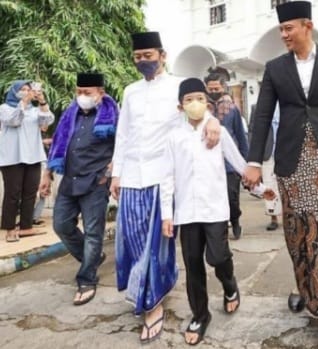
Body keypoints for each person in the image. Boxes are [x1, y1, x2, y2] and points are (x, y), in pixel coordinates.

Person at [243, 2, 318, 348]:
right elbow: (262, 116)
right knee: (298, 233)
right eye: (281, 30)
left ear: (307, 25)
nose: (283, 35)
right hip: (291, 163)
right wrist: (253, 161)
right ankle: (302, 285)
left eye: (288, 29)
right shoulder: (275, 69)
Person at [109, 31, 221, 344]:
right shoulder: (130, 91)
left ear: (162, 55)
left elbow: (199, 107)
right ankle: (150, 288)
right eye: (137, 58)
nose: (142, 62)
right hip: (132, 175)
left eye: (148, 56)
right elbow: (124, 134)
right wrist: (117, 173)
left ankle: (152, 306)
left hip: (163, 176)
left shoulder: (177, 85)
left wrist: (212, 120)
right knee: (132, 241)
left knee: (154, 245)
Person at [161, 78, 271, 345]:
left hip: (215, 209)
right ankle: (200, 315)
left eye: (199, 98)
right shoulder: (174, 137)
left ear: (207, 102)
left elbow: (238, 163)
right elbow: (167, 177)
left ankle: (229, 284)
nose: (194, 104)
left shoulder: (218, 131)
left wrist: (259, 189)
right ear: (180, 106)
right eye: (188, 100)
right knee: (193, 265)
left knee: (218, 257)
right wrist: (167, 213)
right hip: (186, 212)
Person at [39, 73, 117, 306]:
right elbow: (59, 143)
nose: (82, 96)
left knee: (93, 232)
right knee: (61, 224)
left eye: (87, 93)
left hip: (95, 182)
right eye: (79, 92)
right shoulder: (69, 114)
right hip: (70, 180)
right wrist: (47, 173)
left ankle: (87, 279)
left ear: (100, 94)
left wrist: (109, 175)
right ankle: (91, 258)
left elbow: (123, 147)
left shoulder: (112, 116)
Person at [0, 80, 54, 242]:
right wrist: (23, 102)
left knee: (30, 193)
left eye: (28, 89)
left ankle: (26, 227)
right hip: (12, 157)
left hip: (33, 156)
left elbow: (46, 122)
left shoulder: (34, 111)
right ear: (14, 92)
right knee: (12, 194)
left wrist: (42, 100)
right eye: (22, 90)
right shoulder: (4, 108)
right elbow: (14, 121)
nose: (26, 92)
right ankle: (9, 229)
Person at [204, 73, 249, 239]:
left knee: (232, 197)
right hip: (209, 163)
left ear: (223, 87)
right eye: (211, 88)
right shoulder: (202, 109)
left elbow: (241, 136)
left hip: (230, 163)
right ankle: (220, 229)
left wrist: (246, 163)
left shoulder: (232, 109)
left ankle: (235, 219)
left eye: (217, 88)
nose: (214, 91)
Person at [32, 126, 53, 227]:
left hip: (46, 165)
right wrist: (44, 141)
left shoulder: (45, 135)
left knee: (43, 193)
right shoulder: (33, 134)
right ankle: (30, 219)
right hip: (38, 165)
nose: (45, 125)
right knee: (35, 193)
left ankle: (35, 218)